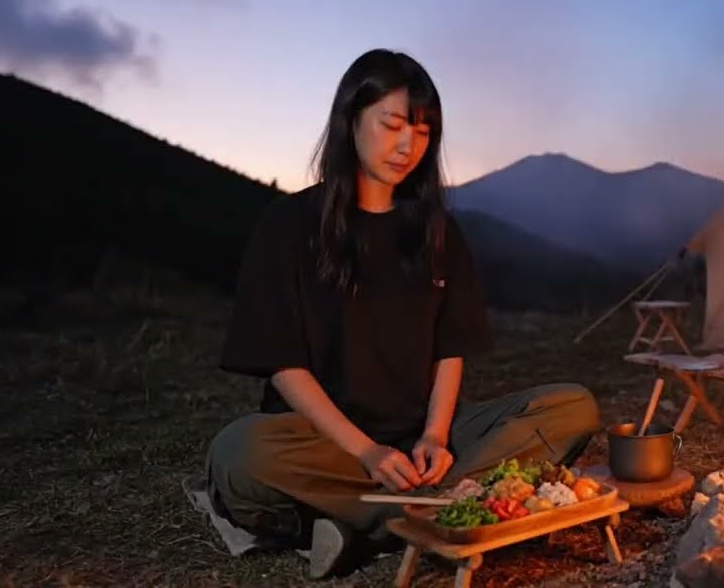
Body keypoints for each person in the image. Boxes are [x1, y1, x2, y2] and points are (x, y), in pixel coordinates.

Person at [203, 48, 602, 579]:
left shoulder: (437, 233)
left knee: (572, 407)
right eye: (392, 124)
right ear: (350, 121)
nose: (408, 145)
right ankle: (443, 512)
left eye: (423, 131)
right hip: (324, 443)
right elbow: (283, 362)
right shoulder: (290, 225)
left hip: (427, 444)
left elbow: (450, 346)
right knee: (239, 452)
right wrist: (367, 452)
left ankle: (374, 523)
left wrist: (436, 437)